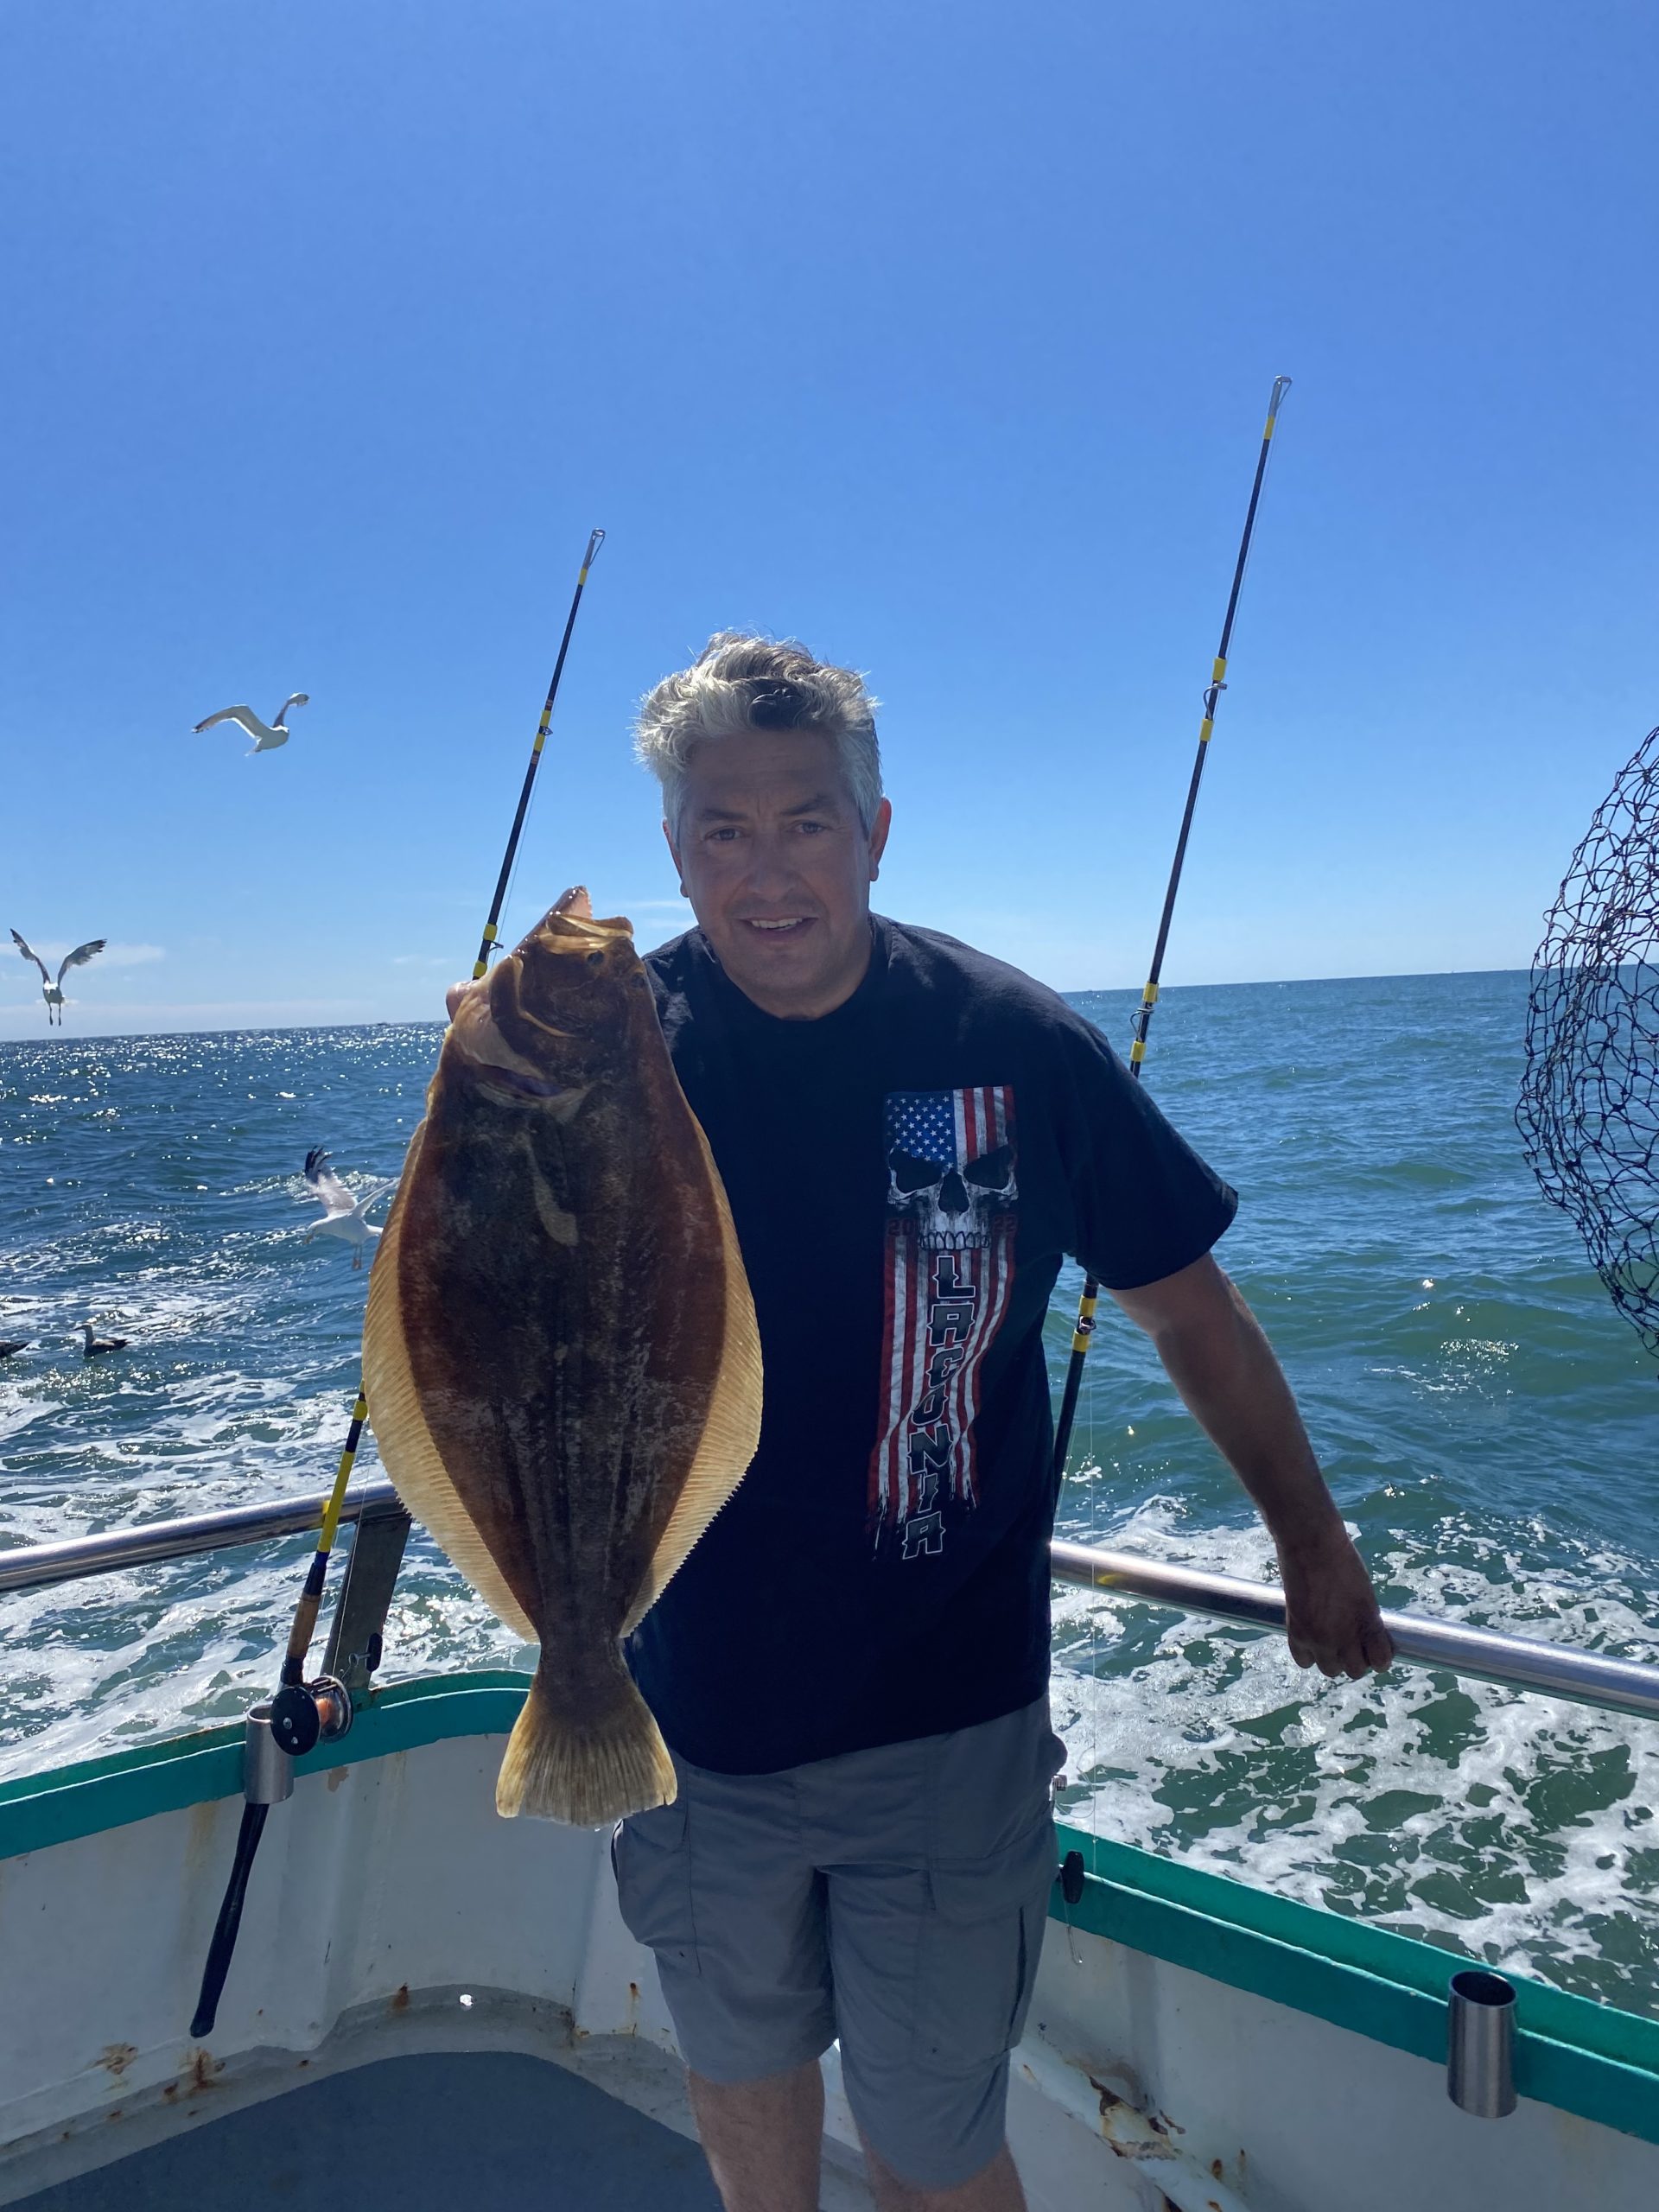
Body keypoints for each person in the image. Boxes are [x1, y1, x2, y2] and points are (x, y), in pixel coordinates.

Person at [461, 632, 1394, 2212]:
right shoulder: (603, 1059)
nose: (768, 874)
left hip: (944, 1723)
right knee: (744, 2077)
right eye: (723, 830)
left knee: (935, 2139)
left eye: (807, 820)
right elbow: (486, 1322)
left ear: (875, 833)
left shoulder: (1014, 1047)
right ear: (673, 849)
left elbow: (1195, 1315)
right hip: (686, 1711)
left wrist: (1311, 1541)